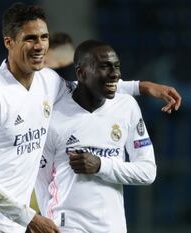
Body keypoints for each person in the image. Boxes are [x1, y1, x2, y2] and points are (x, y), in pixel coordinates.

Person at [0, 3, 181, 233]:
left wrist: (143, 87)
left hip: (13, 221)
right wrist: (29, 217)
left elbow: (89, 85)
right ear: (9, 41)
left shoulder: (47, 81)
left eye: (44, 37)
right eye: (30, 38)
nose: (40, 46)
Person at [34, 40, 156, 233]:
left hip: (112, 227)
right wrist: (49, 221)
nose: (115, 74)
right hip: (66, 225)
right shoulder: (53, 115)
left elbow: (148, 172)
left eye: (116, 66)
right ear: (81, 73)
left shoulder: (127, 107)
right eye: (104, 67)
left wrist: (101, 165)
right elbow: (40, 179)